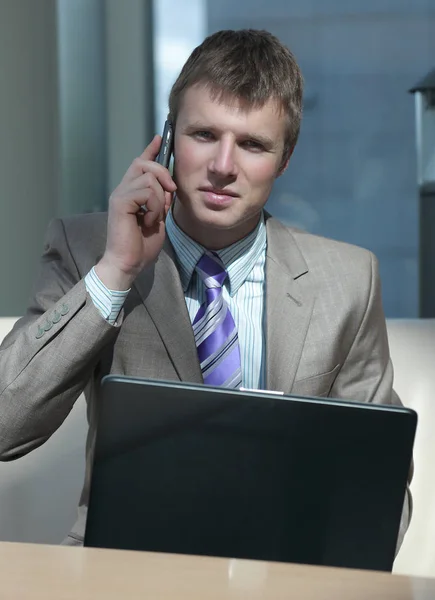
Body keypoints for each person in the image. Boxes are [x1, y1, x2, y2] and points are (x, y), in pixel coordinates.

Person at [0, 29, 411, 548]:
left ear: (285, 161)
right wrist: (116, 271)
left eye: (253, 145)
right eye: (203, 135)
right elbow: (4, 424)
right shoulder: (87, 249)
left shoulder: (347, 281)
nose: (222, 167)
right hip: (125, 572)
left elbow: (379, 480)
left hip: (282, 574)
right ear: (169, 139)